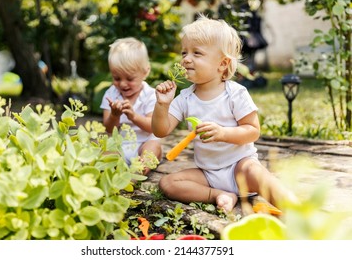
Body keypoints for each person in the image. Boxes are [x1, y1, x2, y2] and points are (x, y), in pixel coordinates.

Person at [152, 14, 298, 212]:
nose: (186, 59)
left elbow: (252, 131)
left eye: (197, 53)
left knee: (258, 173)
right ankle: (221, 195)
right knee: (168, 183)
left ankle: (297, 212)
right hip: (208, 175)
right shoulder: (185, 97)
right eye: (184, 52)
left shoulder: (235, 93)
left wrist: (222, 133)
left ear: (222, 64)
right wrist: (162, 105)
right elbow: (161, 131)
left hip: (240, 167)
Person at [100, 37, 162, 175]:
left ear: (145, 72)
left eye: (129, 78)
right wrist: (114, 115)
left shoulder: (150, 95)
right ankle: (115, 171)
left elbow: (153, 127)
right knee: (105, 149)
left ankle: (139, 170)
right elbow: (109, 128)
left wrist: (133, 116)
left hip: (143, 143)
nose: (122, 84)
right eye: (116, 78)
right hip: (119, 144)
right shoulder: (110, 94)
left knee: (154, 146)